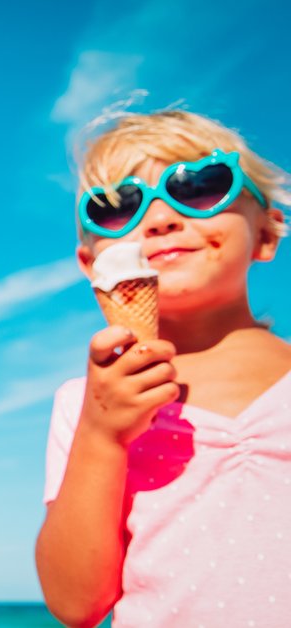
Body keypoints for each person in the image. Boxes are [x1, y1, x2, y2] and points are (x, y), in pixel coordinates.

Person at [35, 109, 291, 626]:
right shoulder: (88, 404)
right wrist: (102, 436)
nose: (159, 218)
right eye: (116, 208)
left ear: (267, 231)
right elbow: (75, 601)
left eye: (201, 187)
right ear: (91, 263)